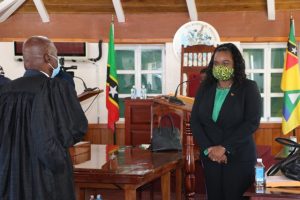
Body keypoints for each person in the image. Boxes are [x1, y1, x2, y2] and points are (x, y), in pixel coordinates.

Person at [0, 36, 88, 200]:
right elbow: (76, 129)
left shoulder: (6, 91)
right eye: (55, 54)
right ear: (48, 57)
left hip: (12, 176)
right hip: (45, 177)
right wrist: (59, 163)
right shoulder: (55, 88)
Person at [191, 43, 261, 200]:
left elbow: (252, 122)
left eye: (225, 63)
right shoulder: (205, 88)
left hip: (238, 158)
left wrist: (224, 148)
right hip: (211, 159)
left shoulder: (248, 88)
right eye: (216, 63)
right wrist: (209, 149)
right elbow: (195, 121)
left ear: (235, 64)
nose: (220, 67)